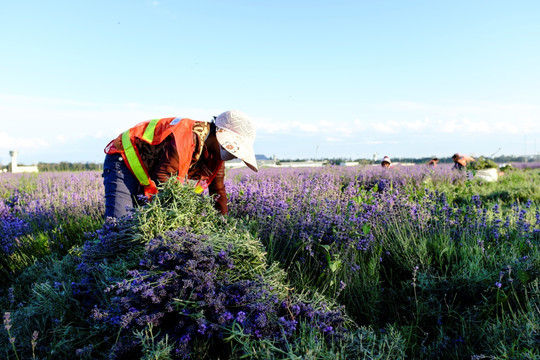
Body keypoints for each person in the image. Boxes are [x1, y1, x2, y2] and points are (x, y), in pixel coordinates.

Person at [102, 110, 258, 218]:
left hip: (149, 170)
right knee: (119, 223)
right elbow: (162, 176)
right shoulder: (186, 138)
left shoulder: (216, 158)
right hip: (125, 158)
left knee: (143, 229)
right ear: (220, 136)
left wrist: (223, 224)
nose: (234, 156)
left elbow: (218, 193)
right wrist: (180, 213)